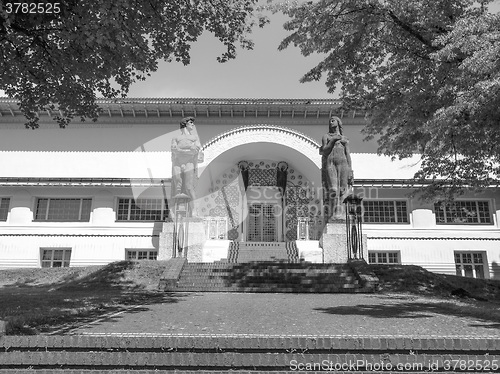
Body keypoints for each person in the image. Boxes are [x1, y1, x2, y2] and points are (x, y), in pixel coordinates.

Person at [319, 116, 353, 218]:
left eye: (333, 121)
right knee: (333, 189)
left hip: (343, 164)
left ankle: (341, 213)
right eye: (330, 121)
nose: (331, 122)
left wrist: (350, 169)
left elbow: (348, 154)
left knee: (343, 189)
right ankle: (332, 213)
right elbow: (325, 151)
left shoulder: (345, 138)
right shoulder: (327, 136)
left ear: (338, 123)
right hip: (331, 164)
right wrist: (333, 140)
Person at [171, 117, 201, 216]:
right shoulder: (176, 138)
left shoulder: (195, 137)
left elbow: (195, 150)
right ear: (185, 124)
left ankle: (194, 210)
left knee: (189, 187)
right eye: (191, 122)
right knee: (177, 186)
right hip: (178, 163)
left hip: (189, 163)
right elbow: (174, 150)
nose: (193, 125)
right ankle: (173, 211)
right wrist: (188, 149)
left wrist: (181, 150)